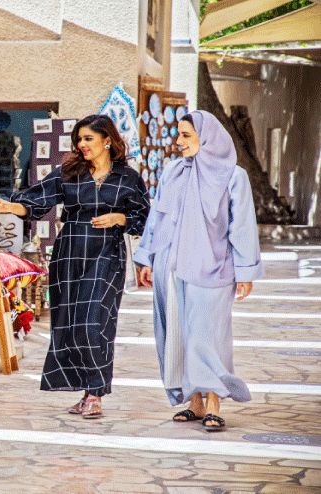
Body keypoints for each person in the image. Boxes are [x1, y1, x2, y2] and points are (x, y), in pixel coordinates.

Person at [0, 114, 150, 418]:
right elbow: (37, 201)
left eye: (88, 139)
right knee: (71, 326)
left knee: (94, 324)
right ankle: (87, 391)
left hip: (107, 253)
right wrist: (12, 207)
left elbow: (144, 218)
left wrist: (120, 218)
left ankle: (96, 393)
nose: (81, 145)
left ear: (107, 140)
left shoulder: (128, 178)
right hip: (69, 253)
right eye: (78, 139)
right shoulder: (69, 172)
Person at [133, 110, 264, 431]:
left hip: (214, 269)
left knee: (207, 335)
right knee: (178, 333)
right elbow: (157, 219)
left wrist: (245, 270)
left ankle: (215, 401)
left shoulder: (233, 177)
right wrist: (148, 259)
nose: (178, 142)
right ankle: (194, 401)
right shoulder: (173, 172)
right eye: (178, 135)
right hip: (171, 266)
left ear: (207, 138)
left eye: (186, 136)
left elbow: (242, 225)